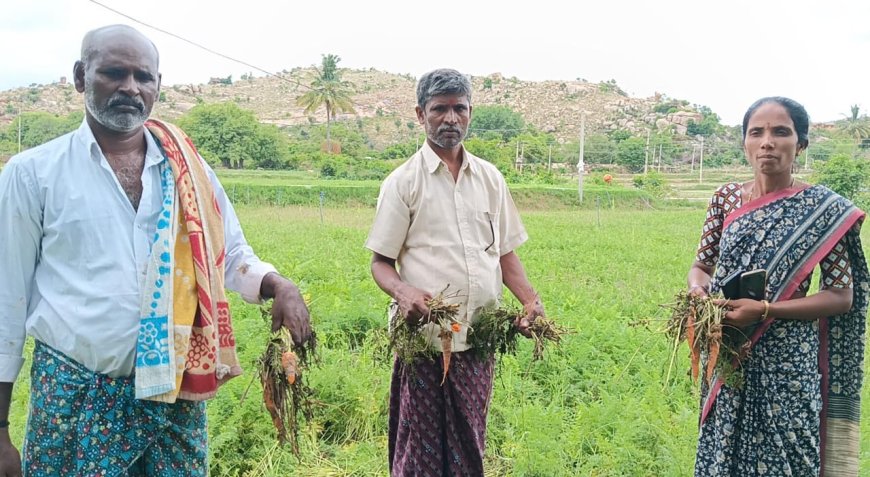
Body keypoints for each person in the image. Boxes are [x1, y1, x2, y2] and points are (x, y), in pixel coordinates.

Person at [0, 25, 311, 476]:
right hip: (74, 402)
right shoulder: (33, 174)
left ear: (158, 86)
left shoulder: (189, 169)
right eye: (114, 73)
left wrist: (279, 285)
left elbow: (230, 254)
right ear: (79, 77)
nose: (130, 87)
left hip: (173, 402)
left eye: (143, 77)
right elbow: (6, 302)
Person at [365, 68, 545, 476]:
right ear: (420, 114)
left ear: (470, 112)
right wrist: (404, 293)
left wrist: (531, 302)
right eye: (439, 109)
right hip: (425, 342)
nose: (450, 118)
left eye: (459, 108)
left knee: (469, 443)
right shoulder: (403, 183)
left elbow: (505, 255)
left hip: (478, 338)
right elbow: (380, 263)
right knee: (421, 451)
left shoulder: (490, 179)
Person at [687, 96, 868, 476]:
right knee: (724, 451)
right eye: (757, 132)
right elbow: (702, 265)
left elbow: (841, 296)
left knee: (789, 456)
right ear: (745, 143)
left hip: (788, 360)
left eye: (780, 132)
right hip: (728, 345)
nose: (767, 141)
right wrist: (698, 291)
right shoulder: (724, 199)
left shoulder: (823, 210)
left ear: (800, 144)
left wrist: (767, 310)